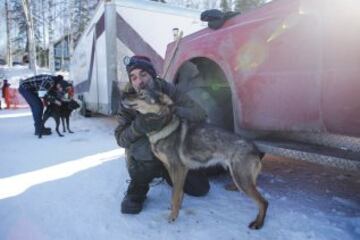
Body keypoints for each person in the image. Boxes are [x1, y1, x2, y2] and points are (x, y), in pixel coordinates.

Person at [115, 55, 210, 214]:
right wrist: (138, 127)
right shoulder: (128, 100)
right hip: (144, 153)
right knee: (143, 146)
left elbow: (200, 113)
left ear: (152, 74)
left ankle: (166, 171)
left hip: (171, 150)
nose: (140, 81)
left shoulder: (167, 90)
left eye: (143, 74)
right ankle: (138, 186)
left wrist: (171, 111)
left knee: (200, 188)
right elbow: (121, 139)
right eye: (134, 77)